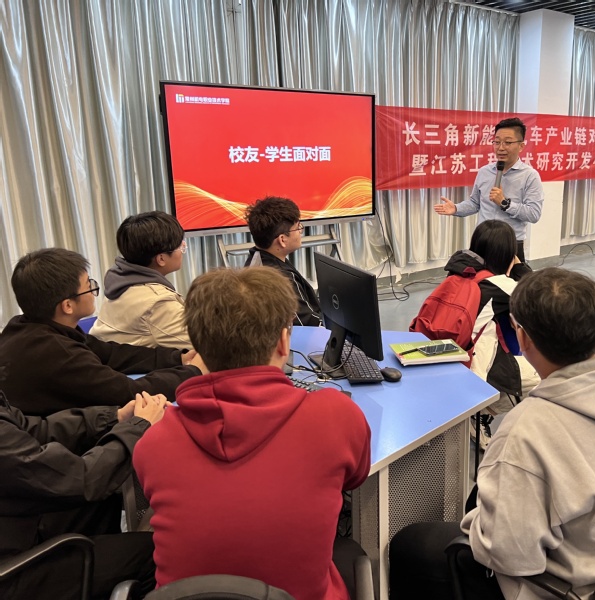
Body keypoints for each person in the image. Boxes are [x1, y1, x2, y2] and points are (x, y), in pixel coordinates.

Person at [390, 268, 595, 600]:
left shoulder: (526, 431)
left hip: (578, 588)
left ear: (523, 339)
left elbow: (507, 554)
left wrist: (476, 524)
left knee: (413, 543)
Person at [133, 267, 371, 600]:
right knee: (348, 552)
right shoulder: (337, 415)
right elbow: (355, 478)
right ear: (284, 342)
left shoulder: (153, 442)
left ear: (197, 348)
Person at [0, 390, 167, 600]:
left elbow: (34, 430)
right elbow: (81, 479)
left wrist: (114, 419)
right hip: (10, 573)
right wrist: (138, 427)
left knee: (107, 497)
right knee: (158, 552)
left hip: (17, 528)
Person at [0, 248, 205, 416]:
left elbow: (110, 353)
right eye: (88, 285)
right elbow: (129, 393)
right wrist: (194, 371)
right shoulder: (58, 354)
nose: (93, 291)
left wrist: (177, 358)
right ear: (68, 306)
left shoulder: (26, 325)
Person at [440, 220, 540, 446]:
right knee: (539, 378)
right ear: (508, 254)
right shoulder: (499, 285)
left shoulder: (459, 271)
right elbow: (538, 293)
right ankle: (481, 413)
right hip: (472, 363)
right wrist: (519, 267)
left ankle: (477, 410)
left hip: (447, 353)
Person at [434, 117, 544, 262]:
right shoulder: (484, 172)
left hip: (510, 244)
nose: (501, 148)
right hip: (482, 241)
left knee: (511, 278)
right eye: (497, 142)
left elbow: (534, 214)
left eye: (508, 142)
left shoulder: (530, 176)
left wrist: (505, 203)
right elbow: (475, 203)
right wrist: (456, 208)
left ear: (521, 146)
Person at [90, 211, 192, 349]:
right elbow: (206, 343)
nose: (182, 249)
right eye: (180, 246)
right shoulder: (157, 303)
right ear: (161, 259)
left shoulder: (121, 279)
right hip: (129, 362)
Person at [244, 196, 323, 326]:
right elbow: (309, 325)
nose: (300, 231)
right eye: (298, 228)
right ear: (282, 240)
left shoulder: (255, 258)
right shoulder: (283, 280)